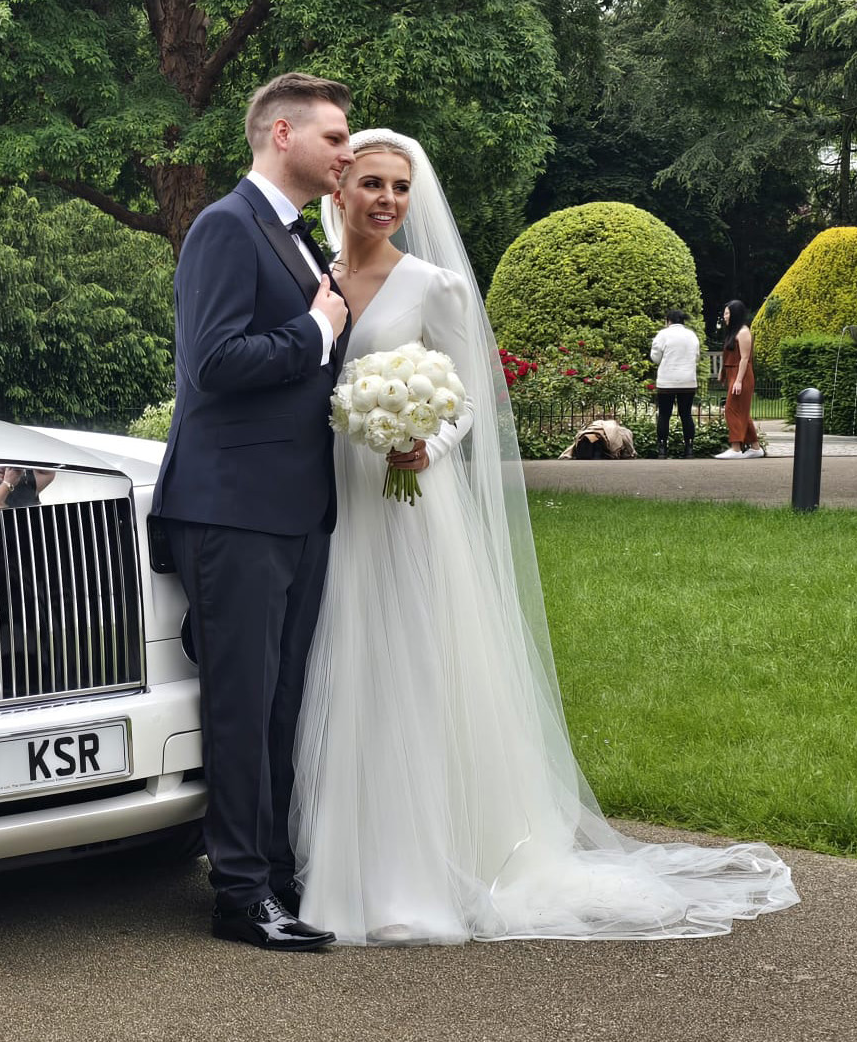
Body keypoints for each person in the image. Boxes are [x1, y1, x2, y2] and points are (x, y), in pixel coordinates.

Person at [292, 128, 797, 945]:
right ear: (339, 188)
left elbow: (467, 397)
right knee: (343, 665)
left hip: (410, 502)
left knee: (413, 668)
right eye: (373, 184)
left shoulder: (434, 284)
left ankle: (421, 871)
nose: (387, 200)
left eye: (401, 187)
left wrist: (429, 442)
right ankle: (339, 860)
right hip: (332, 501)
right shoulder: (313, 279)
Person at [149, 71, 356, 952]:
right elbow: (216, 363)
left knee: (282, 703)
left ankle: (277, 874)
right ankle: (238, 894)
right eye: (336, 138)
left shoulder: (303, 238)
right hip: (232, 509)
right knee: (242, 703)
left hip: (298, 509)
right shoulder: (225, 228)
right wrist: (318, 329)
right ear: (281, 134)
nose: (347, 153)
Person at [650, 310, 700, 458]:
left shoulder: (663, 335)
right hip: (688, 381)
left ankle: (662, 449)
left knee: (664, 415)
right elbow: (696, 357)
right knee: (686, 414)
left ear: (668, 321)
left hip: (667, 381)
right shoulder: (692, 335)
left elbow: (655, 357)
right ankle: (689, 448)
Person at [716, 301, 761, 458]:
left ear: (735, 314)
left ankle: (736, 448)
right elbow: (729, 355)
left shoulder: (743, 332)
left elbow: (744, 358)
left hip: (741, 374)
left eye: (727, 313)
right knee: (741, 411)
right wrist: (723, 373)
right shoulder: (733, 332)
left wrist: (739, 380)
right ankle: (755, 447)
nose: (725, 316)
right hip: (733, 373)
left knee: (731, 409)